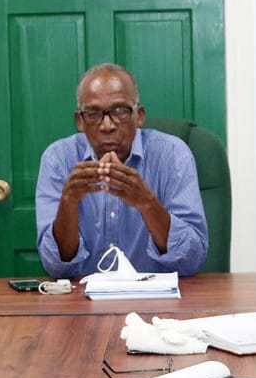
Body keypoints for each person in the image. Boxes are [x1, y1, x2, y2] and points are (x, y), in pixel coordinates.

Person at [35, 63, 208, 279]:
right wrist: (68, 202)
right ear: (79, 121)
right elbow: (55, 266)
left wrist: (146, 202)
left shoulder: (173, 155)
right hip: (81, 302)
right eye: (93, 113)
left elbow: (192, 260)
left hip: (157, 301)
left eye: (120, 111)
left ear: (139, 116)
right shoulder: (58, 159)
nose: (107, 125)